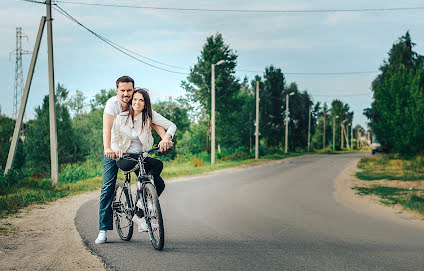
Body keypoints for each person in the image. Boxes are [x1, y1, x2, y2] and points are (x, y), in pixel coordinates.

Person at [95, 77, 172, 244]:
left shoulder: (137, 101)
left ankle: (140, 210)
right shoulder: (112, 105)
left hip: (136, 153)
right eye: (122, 90)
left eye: (129, 90)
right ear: (117, 90)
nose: (126, 94)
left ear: (133, 90)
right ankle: (103, 229)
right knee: (108, 187)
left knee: (154, 180)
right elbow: (107, 130)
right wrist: (109, 149)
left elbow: (154, 122)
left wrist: (165, 138)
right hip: (113, 149)